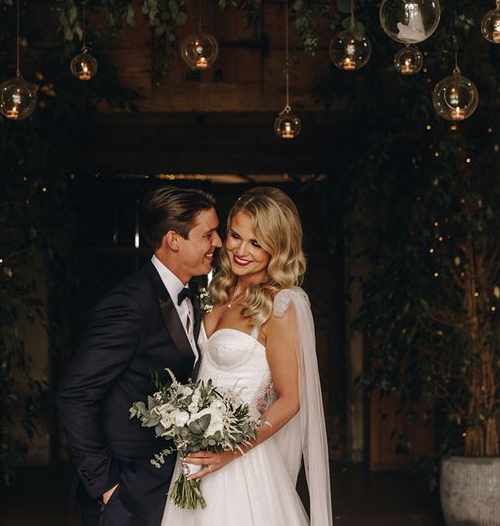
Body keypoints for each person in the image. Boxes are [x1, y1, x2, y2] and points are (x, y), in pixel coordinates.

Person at [161, 187, 332, 526]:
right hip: (194, 460)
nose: (240, 250)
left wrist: (229, 452)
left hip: (243, 465)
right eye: (236, 235)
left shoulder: (280, 306)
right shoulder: (218, 293)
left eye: (256, 242)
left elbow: (291, 399)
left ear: (278, 247)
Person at [57, 186, 222, 526]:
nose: (217, 243)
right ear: (174, 240)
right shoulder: (129, 304)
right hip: (128, 492)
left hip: (168, 485)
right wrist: (108, 488)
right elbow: (74, 396)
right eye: (208, 234)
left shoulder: (191, 296)